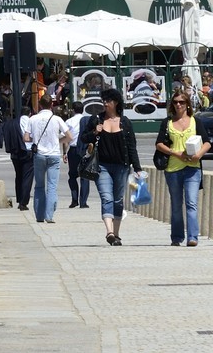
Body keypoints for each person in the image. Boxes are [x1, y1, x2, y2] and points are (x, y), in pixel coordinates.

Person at [85, 87, 142, 246]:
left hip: (121, 166)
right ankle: (109, 232)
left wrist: (137, 168)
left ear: (116, 102)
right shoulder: (96, 120)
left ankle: (116, 233)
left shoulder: (125, 123)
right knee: (107, 197)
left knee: (117, 200)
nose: (105, 103)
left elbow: (132, 147)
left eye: (108, 100)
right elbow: (83, 138)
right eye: (103, 100)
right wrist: (94, 133)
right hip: (102, 166)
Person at [155, 92, 208, 246]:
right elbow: (159, 144)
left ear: (187, 104)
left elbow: (207, 142)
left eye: (182, 102)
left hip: (193, 168)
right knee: (176, 204)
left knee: (191, 203)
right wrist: (175, 153)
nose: (179, 105)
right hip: (173, 169)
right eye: (176, 102)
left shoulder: (195, 121)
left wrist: (198, 155)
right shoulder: (167, 122)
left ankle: (192, 237)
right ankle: (177, 237)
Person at [21, 94, 69, 224]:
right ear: (51, 105)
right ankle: (49, 215)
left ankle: (39, 215)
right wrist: (58, 141)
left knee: (39, 186)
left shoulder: (32, 119)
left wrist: (35, 139)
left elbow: (26, 138)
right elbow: (69, 136)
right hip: (54, 154)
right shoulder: (57, 119)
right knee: (52, 186)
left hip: (40, 155)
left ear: (40, 105)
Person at [0, 101, 34, 212]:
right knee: (27, 177)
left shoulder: (11, 122)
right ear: (29, 113)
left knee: (19, 176)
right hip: (28, 151)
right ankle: (23, 202)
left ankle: (19, 198)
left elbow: (0, 132)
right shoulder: (31, 122)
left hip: (15, 153)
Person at [65, 108, 94, 210]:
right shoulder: (88, 120)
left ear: (72, 110)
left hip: (73, 150)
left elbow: (66, 138)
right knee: (84, 176)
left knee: (72, 175)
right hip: (85, 150)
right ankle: (83, 202)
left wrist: (64, 152)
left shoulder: (69, 121)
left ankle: (74, 200)